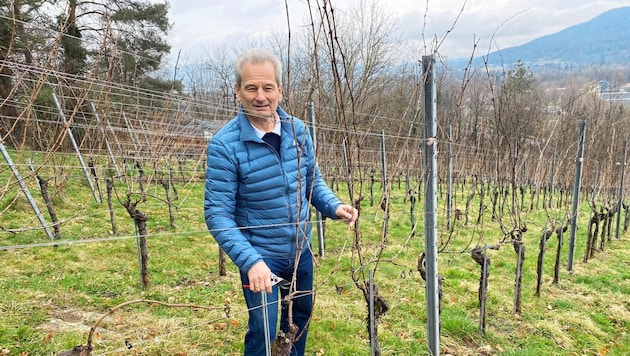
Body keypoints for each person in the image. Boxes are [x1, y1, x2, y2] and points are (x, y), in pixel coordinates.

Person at [204, 48, 358, 356]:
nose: (260, 96)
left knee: (299, 322)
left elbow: (311, 180)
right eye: (251, 88)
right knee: (263, 329)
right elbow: (217, 214)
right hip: (261, 257)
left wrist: (333, 205)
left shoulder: (298, 130)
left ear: (280, 90)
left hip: (300, 251)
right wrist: (251, 262)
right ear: (237, 91)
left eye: (267, 87)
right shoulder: (224, 144)